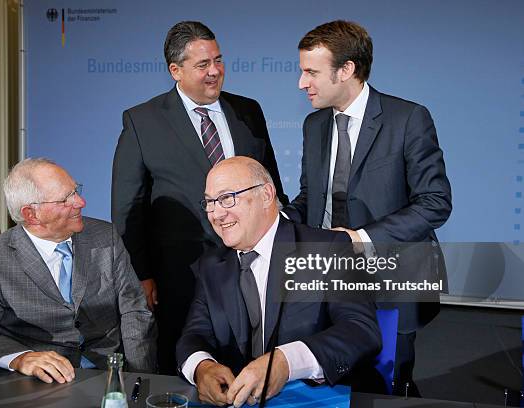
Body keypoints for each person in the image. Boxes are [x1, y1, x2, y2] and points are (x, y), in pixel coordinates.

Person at [287, 20, 452, 395]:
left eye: (311, 72)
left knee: (389, 385)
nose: (302, 82)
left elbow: (435, 202)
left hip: (392, 278)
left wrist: (361, 238)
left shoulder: (408, 118)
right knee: (330, 379)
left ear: (346, 70)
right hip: (326, 276)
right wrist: (275, 219)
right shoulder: (314, 125)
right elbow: (311, 200)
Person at [112, 21, 287, 373]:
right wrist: (141, 274)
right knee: (189, 360)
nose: (215, 72)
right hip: (182, 273)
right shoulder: (142, 121)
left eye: (219, 61)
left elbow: (272, 188)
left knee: (251, 357)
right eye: (203, 65)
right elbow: (128, 207)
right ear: (175, 70)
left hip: (253, 264)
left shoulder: (248, 110)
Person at [176, 157, 381, 407]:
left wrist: (286, 362)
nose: (217, 213)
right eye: (209, 202)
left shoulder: (329, 248)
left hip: (319, 399)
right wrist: (201, 367)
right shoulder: (212, 265)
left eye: (227, 198)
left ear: (266, 195)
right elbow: (194, 334)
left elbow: (360, 331)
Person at [0, 158, 156, 382]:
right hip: (41, 382)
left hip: (109, 371)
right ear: (31, 214)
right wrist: (21, 358)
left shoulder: (106, 237)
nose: (81, 202)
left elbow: (135, 311)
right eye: (66, 199)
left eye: (76, 191)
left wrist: (140, 378)